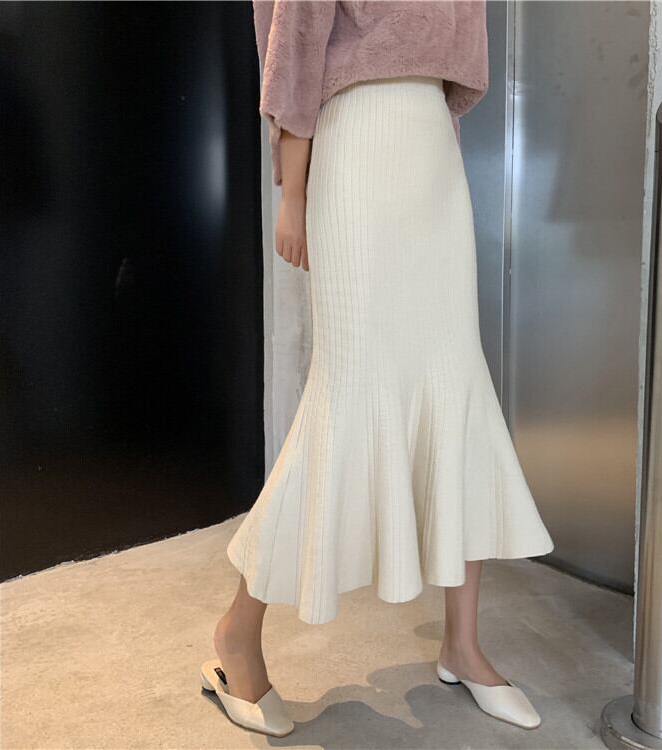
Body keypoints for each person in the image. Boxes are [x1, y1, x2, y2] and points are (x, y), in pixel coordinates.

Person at [200, 0, 554, 737]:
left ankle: (462, 644)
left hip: (432, 152)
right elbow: (297, 40)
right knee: (347, 398)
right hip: (354, 141)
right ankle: (237, 633)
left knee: (456, 388)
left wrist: (438, 133)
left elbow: (454, 54)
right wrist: (293, 192)